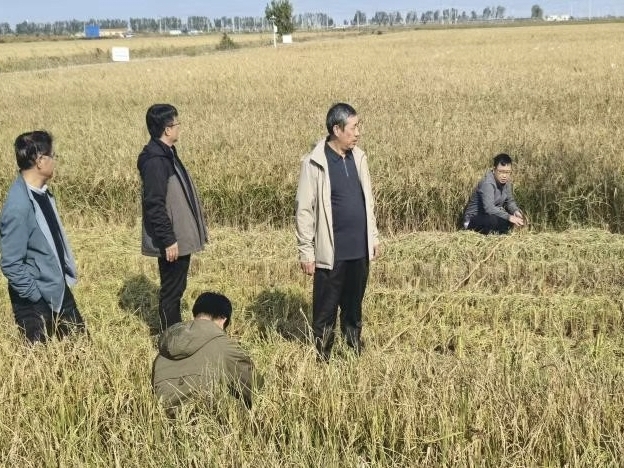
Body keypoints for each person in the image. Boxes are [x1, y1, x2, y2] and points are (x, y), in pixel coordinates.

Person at [295, 103, 380, 362]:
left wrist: (373, 237)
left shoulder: (359, 158)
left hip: (359, 250)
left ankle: (353, 352)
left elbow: (368, 202)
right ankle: (323, 357)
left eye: (358, 126)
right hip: (331, 253)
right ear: (336, 129)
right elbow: (304, 210)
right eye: (353, 127)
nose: (358, 133)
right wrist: (306, 251)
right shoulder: (314, 163)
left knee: (353, 308)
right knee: (326, 310)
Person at [1, 131, 86, 343]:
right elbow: (11, 263)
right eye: (52, 156)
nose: (55, 160)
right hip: (35, 300)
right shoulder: (19, 206)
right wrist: (35, 296)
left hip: (57, 288)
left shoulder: (41, 193)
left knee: (82, 349)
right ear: (40, 161)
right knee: (41, 357)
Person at [137, 104, 208, 331]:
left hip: (177, 236)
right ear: (167, 129)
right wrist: (168, 239)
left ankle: (174, 332)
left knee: (177, 287)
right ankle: (171, 337)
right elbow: (154, 205)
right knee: (171, 291)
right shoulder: (156, 162)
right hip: (172, 240)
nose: (179, 128)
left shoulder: (167, 154)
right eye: (177, 124)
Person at [152, 292, 261, 413]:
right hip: (203, 418)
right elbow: (256, 390)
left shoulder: (165, 347)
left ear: (196, 313)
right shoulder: (223, 346)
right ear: (223, 318)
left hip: (160, 418)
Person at [463, 153, 524, 234]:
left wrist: (515, 211)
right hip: (473, 219)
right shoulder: (487, 183)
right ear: (494, 169)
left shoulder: (507, 183)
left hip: (491, 216)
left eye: (507, 172)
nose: (504, 176)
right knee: (494, 220)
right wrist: (509, 217)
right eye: (501, 172)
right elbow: (489, 208)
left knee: (508, 220)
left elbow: (509, 201)